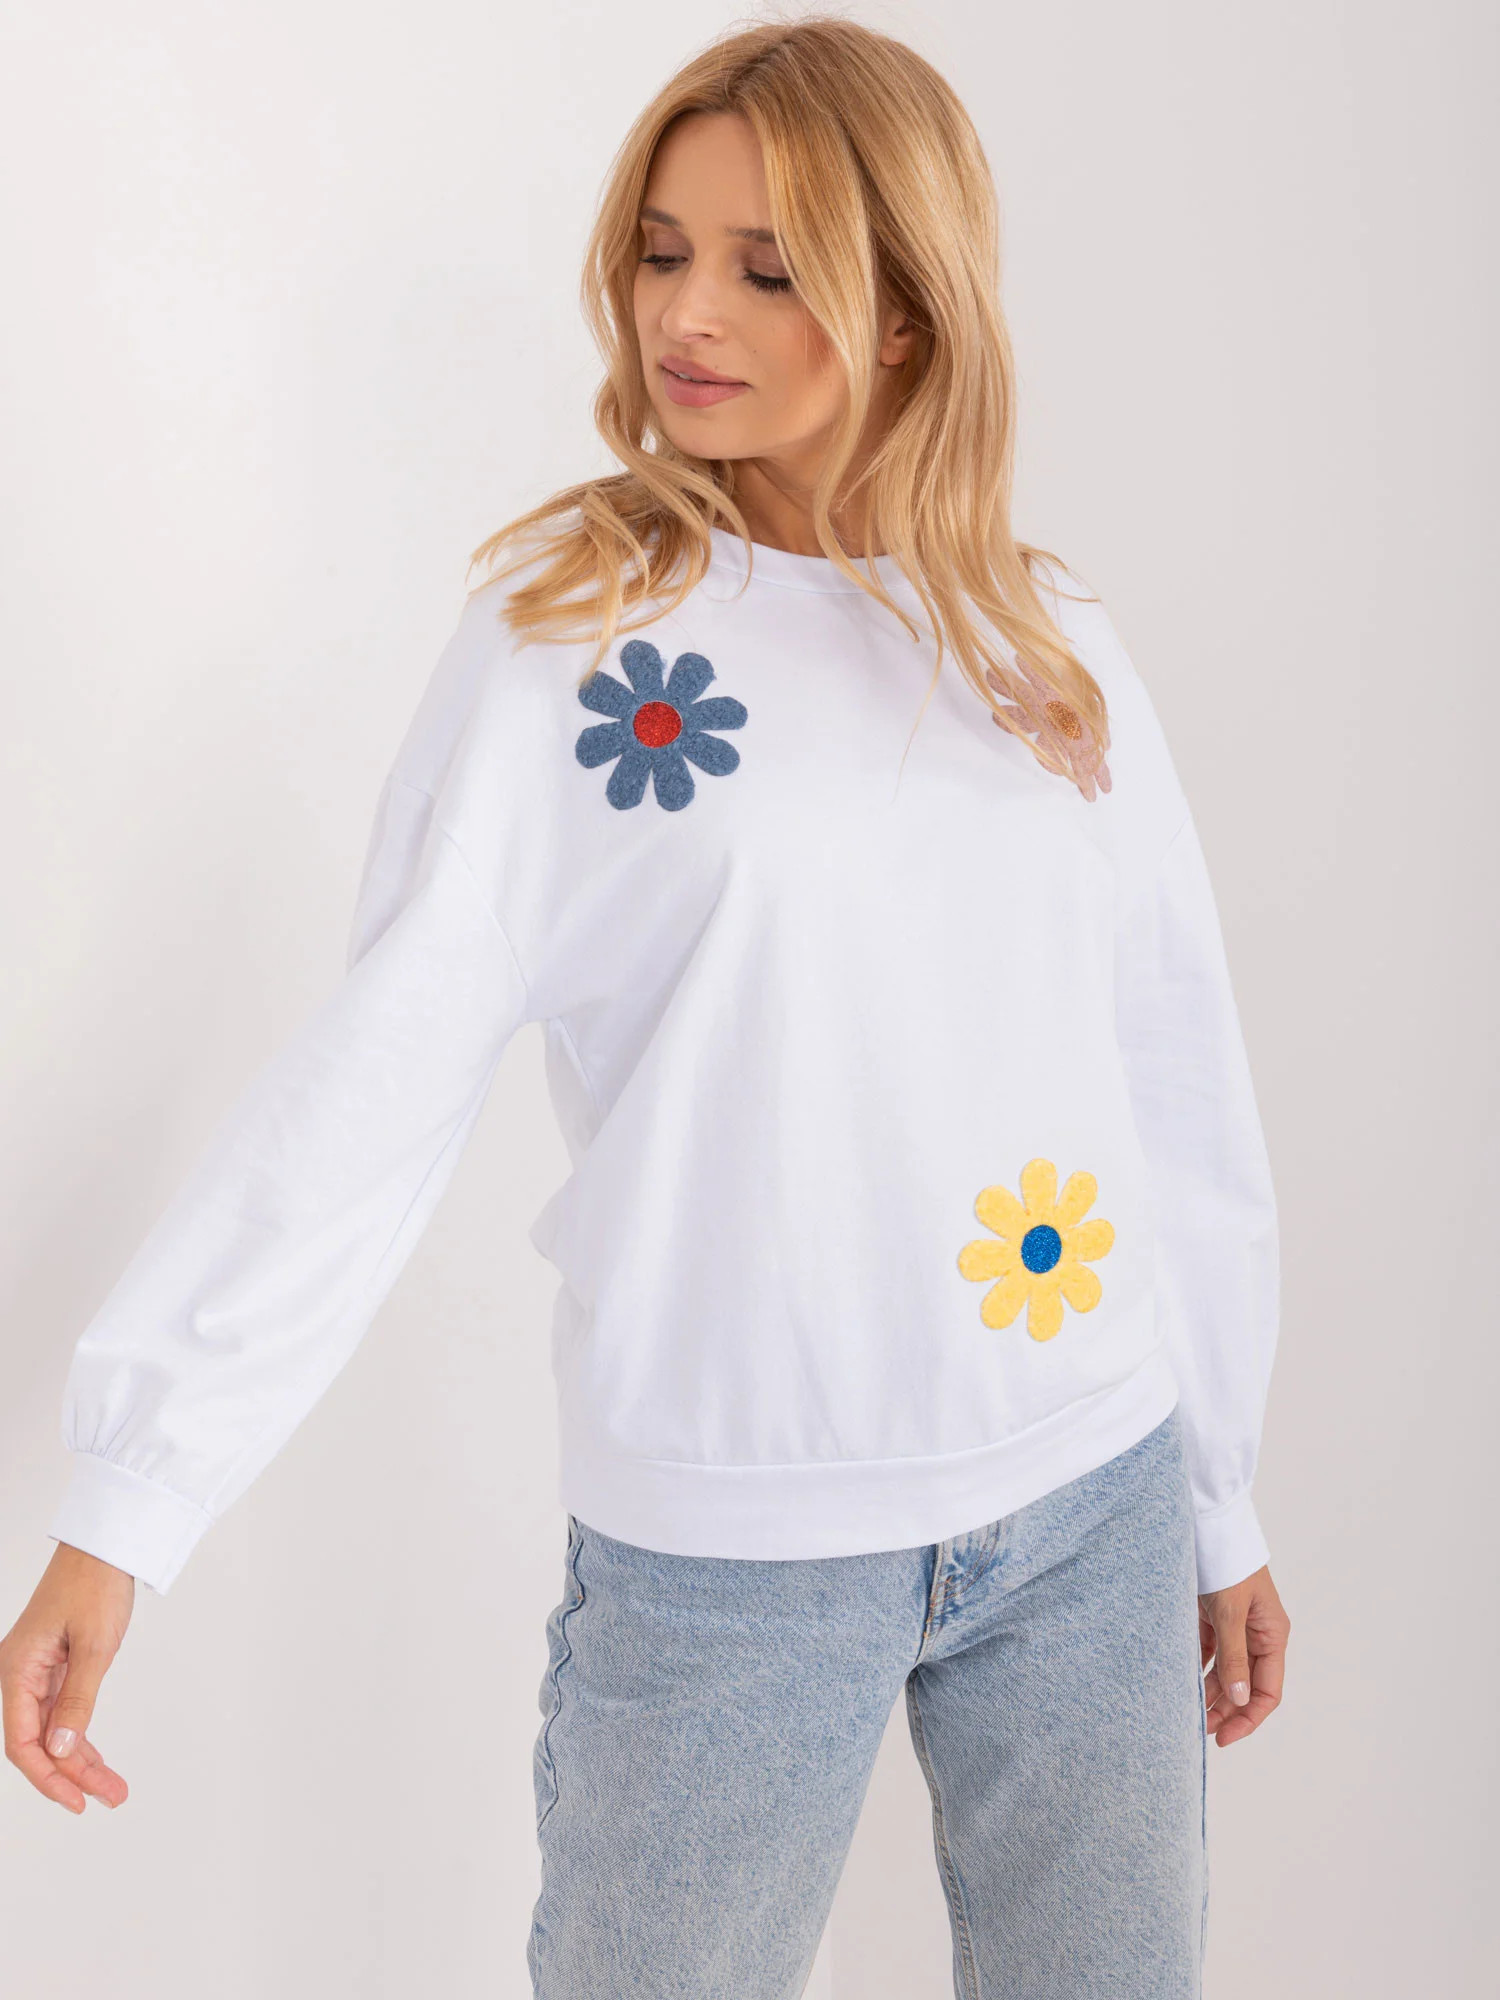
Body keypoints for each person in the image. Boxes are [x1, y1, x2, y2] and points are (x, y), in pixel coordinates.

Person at [1, 18, 1290, 1998]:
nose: (687, 313)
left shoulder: (1047, 653)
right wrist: (133, 1495)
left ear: (912, 308)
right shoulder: (580, 647)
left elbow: (1170, 1075)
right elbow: (375, 1081)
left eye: (770, 268)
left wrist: (1216, 1498)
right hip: (729, 1548)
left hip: (1087, 1499)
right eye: (663, 249)